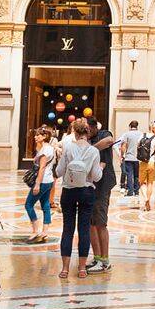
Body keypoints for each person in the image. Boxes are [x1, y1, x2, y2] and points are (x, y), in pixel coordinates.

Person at [55, 118, 102, 279]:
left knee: (67, 229)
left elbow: (59, 171)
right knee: (84, 230)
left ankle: (65, 269)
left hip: (68, 191)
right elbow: (96, 177)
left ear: (75, 132)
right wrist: (101, 168)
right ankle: (82, 268)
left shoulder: (68, 148)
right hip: (86, 191)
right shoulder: (93, 151)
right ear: (88, 133)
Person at [86, 119, 117, 273]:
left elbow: (110, 140)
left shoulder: (104, 133)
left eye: (88, 129)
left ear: (93, 127)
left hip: (103, 185)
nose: (87, 132)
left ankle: (105, 261)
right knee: (91, 223)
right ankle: (97, 257)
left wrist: (91, 149)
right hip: (90, 186)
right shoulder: (87, 139)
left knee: (101, 223)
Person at [21, 126, 57, 243]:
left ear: (45, 136)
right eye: (36, 134)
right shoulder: (49, 148)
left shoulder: (45, 151)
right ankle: (45, 232)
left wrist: (37, 185)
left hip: (42, 181)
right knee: (45, 205)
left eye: (38, 135)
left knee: (28, 205)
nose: (36, 137)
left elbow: (41, 168)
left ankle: (36, 230)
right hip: (49, 180)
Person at [138, 121, 155, 211]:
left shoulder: (141, 136)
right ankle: (148, 199)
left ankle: (145, 199)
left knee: (141, 183)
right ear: (153, 128)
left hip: (143, 162)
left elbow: (138, 148)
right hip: (152, 162)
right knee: (150, 183)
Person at [119, 120, 144, 197]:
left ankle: (130, 192)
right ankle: (136, 191)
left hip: (129, 158)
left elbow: (123, 146)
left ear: (130, 126)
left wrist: (122, 155)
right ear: (137, 126)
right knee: (137, 175)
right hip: (138, 158)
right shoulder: (141, 134)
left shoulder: (127, 134)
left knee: (129, 175)